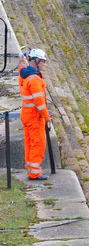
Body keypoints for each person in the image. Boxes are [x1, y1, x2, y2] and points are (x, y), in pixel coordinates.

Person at [19, 49, 50, 180]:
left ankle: (31, 169)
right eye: (43, 61)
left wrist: (23, 61)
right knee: (38, 144)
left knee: (29, 143)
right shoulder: (35, 79)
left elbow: (22, 68)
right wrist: (47, 118)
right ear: (36, 61)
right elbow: (40, 103)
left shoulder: (25, 75)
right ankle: (34, 172)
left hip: (26, 115)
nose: (44, 64)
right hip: (35, 117)